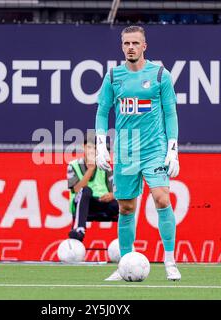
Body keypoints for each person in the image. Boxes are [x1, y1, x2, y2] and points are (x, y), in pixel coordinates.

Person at [95, 26, 181, 281]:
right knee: (126, 207)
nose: (130, 47)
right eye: (126, 43)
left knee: (162, 198)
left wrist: (173, 149)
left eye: (135, 43)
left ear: (145, 46)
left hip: (154, 148)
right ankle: (125, 264)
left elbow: (171, 113)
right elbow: (102, 111)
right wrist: (101, 144)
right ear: (121, 46)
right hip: (125, 150)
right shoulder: (113, 76)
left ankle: (169, 260)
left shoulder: (160, 75)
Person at [67, 136, 119, 242]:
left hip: (101, 203)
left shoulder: (105, 166)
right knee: (85, 190)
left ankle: (124, 237)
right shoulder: (73, 165)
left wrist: (112, 195)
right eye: (89, 147)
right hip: (81, 203)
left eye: (95, 148)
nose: (92, 151)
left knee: (120, 203)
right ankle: (79, 230)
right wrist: (91, 169)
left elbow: (115, 190)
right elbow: (76, 190)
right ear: (83, 147)